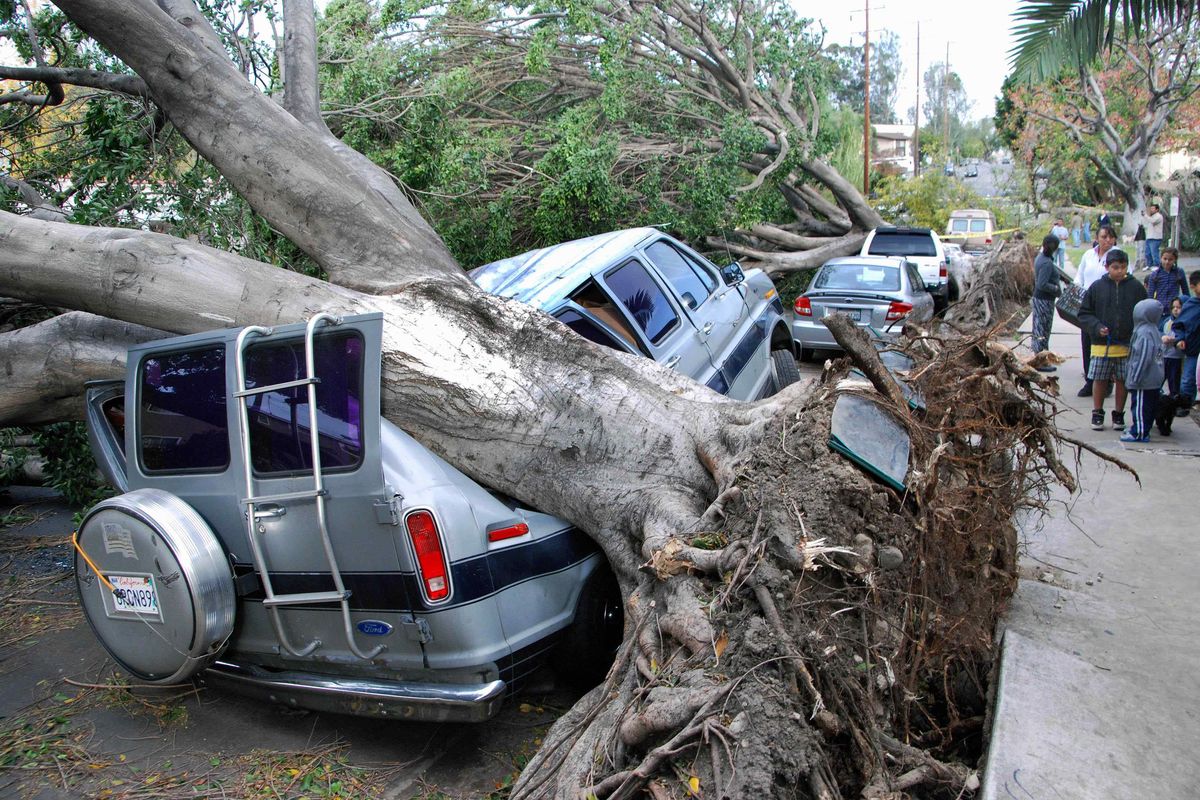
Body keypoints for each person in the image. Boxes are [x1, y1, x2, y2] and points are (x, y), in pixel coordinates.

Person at [1077, 248, 1147, 431]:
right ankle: (1097, 412)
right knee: (1099, 379)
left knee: (1123, 380)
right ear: (1107, 267)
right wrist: (1096, 327)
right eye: (1115, 267)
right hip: (1101, 345)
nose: (1120, 271)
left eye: (1123, 267)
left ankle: (1118, 414)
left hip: (1126, 345)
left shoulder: (1136, 288)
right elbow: (1084, 314)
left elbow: (1145, 312)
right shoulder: (1096, 288)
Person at [1073, 225, 1118, 397]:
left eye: (1110, 237)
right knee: (1087, 343)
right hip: (1087, 305)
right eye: (1103, 237)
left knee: (1103, 344)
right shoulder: (1088, 255)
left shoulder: (1116, 255)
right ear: (1097, 237)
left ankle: (1106, 381)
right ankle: (1090, 380)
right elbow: (1080, 275)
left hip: (1107, 305)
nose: (1107, 240)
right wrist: (1078, 288)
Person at [1121, 298, 1164, 443]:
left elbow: (1143, 357)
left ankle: (1139, 433)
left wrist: (1135, 377)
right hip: (1154, 379)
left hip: (1143, 380)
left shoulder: (1144, 332)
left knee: (1139, 407)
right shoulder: (1154, 330)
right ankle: (1143, 428)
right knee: (1148, 408)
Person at [1169, 270, 1200, 417]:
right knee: (1188, 379)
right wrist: (1180, 339)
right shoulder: (1191, 305)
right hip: (1194, 350)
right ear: (1193, 287)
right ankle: (1184, 404)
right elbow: (1178, 325)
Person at [1032, 235, 1061, 371]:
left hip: (1040, 299)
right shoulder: (1046, 263)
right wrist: (1055, 288)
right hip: (1045, 300)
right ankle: (1041, 361)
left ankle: (1041, 359)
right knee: (1043, 329)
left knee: (1039, 328)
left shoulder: (1041, 258)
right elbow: (1042, 284)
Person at [1145, 247, 1190, 314]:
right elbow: (1150, 295)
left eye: (1170, 259)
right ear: (1161, 258)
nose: (1167, 262)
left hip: (1174, 309)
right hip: (1159, 309)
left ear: (1175, 260)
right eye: (1165, 259)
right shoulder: (1155, 274)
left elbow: (1186, 292)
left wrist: (1186, 307)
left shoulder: (1179, 272)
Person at [1162, 296, 1185, 399]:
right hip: (1164, 355)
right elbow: (1159, 332)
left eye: (1179, 307)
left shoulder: (1184, 322)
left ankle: (1174, 398)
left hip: (1176, 357)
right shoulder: (1167, 321)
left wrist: (1176, 341)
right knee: (1161, 378)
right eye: (1174, 307)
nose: (1176, 309)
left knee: (1174, 380)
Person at [1144, 203, 1164, 270]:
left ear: (1157, 209)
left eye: (1153, 208)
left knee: (1154, 252)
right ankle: (1149, 265)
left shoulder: (1159, 216)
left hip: (1155, 238)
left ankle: (1157, 265)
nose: (1151, 210)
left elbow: (1153, 221)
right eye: (1151, 208)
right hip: (1149, 237)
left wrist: (1145, 215)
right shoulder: (1151, 216)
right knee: (1147, 253)